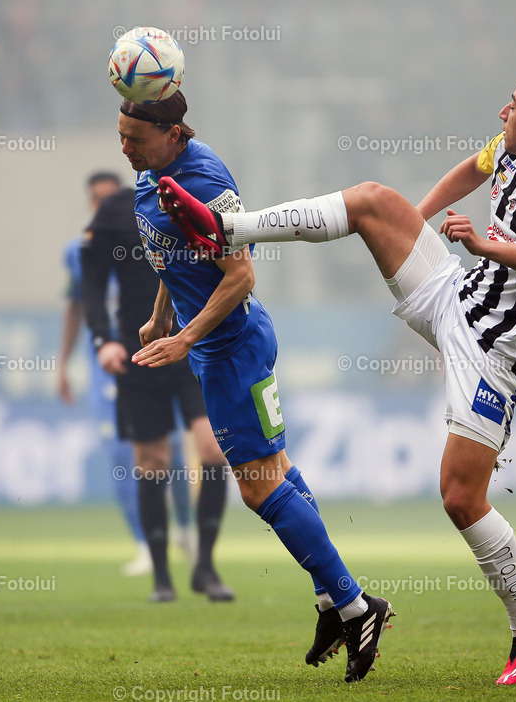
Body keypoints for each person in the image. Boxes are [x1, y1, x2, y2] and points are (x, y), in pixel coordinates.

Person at [157, 73, 516, 685]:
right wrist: (413, 223)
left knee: (460, 498)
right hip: (456, 295)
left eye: (514, 106)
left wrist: (482, 246)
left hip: (495, 352)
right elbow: (472, 169)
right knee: (373, 202)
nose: (503, 110)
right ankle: (230, 229)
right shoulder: (511, 148)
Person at [118, 91, 394, 684]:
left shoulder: (204, 179)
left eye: (135, 140)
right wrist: (163, 310)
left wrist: (185, 338)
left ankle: (354, 605)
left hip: (230, 351)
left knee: (258, 488)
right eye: (120, 135)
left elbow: (240, 274)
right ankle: (330, 601)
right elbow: (178, 252)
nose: (124, 147)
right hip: (222, 349)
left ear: (172, 134)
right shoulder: (152, 174)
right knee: (279, 470)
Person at [79, 171, 234, 603]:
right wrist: (102, 339)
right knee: (153, 461)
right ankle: (162, 577)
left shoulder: (175, 197)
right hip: (138, 351)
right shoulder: (111, 218)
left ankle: (205, 566)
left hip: (188, 345)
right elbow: (89, 286)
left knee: (212, 449)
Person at [57, 172, 149, 577]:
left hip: (154, 353)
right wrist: (63, 362)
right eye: (97, 200)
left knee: (173, 453)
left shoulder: (151, 239)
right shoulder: (79, 252)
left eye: (111, 199)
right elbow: (77, 304)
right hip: (106, 362)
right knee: (120, 452)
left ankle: (184, 533)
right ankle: (145, 544)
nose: (104, 207)